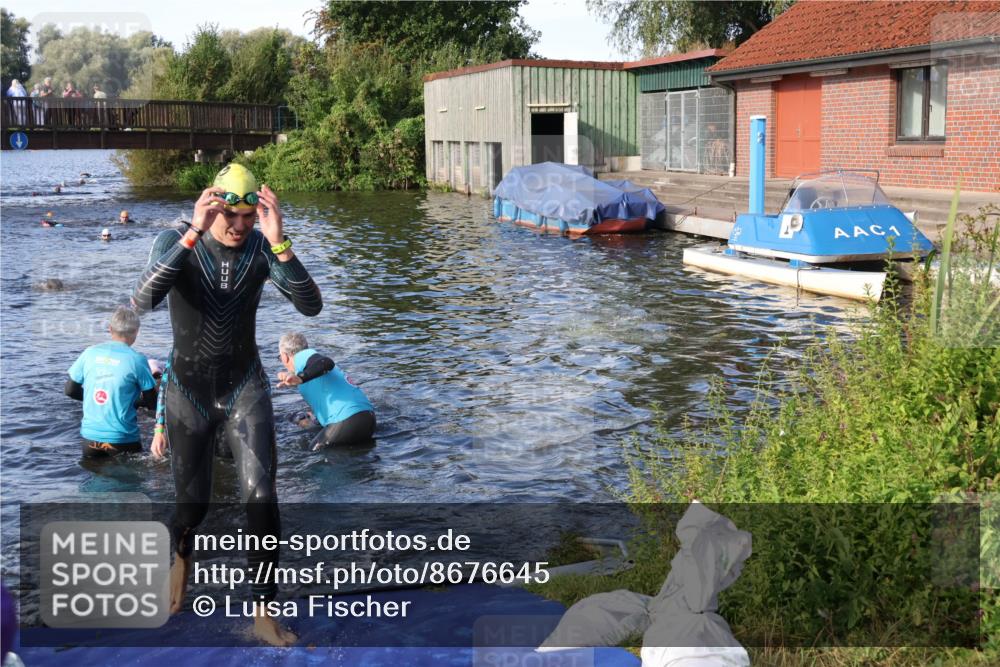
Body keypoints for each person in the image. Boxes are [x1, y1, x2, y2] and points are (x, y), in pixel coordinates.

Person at [132, 162, 321, 646]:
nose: (238, 228)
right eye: (229, 218)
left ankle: (262, 611)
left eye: (248, 219)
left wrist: (279, 240)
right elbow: (143, 299)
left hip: (245, 388)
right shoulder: (177, 237)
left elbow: (310, 306)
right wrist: (194, 232)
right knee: (191, 507)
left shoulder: (262, 245)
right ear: (212, 207)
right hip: (187, 393)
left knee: (261, 496)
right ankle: (181, 559)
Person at [65, 307, 158, 459]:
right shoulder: (137, 359)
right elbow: (152, 402)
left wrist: (100, 400)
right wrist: (135, 402)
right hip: (122, 438)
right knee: (130, 480)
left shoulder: (89, 352)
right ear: (136, 332)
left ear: (110, 329)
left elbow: (69, 390)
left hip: (89, 438)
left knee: (95, 479)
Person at [276, 333, 376, 449]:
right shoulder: (308, 366)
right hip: (368, 418)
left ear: (284, 356)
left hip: (348, 419)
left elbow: (326, 362)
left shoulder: (303, 356)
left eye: (279, 358)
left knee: (313, 455)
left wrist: (301, 377)